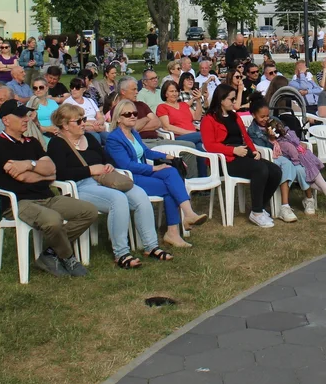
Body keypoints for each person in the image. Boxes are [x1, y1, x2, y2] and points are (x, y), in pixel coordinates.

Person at [48, 103, 170, 267]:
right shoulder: (56, 144)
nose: (84, 123)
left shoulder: (89, 138)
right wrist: (89, 170)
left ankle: (151, 246)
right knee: (117, 199)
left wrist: (108, 166)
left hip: (105, 179)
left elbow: (106, 158)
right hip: (79, 186)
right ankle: (121, 253)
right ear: (64, 125)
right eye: (78, 121)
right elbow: (60, 173)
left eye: (84, 119)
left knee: (139, 194)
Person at [0, 102, 95, 276]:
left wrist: (29, 164)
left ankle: (50, 252)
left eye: (26, 115)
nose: (26, 119)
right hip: (19, 202)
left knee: (88, 211)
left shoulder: (32, 142)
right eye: (21, 116)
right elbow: (21, 177)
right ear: (6, 120)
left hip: (46, 197)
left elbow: (52, 170)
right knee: (53, 220)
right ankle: (68, 257)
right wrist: (41, 171)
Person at [107, 98, 207, 245]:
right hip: (129, 177)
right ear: (118, 118)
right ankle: (174, 231)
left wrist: (170, 157)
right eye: (128, 114)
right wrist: (154, 168)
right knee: (170, 187)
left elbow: (147, 152)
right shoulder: (114, 139)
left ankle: (188, 214)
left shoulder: (134, 133)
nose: (133, 116)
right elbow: (127, 165)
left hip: (142, 171)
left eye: (134, 113)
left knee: (171, 171)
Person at [201, 84, 283, 227]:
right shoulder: (209, 119)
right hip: (224, 160)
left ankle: (260, 207)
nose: (234, 102)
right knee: (260, 169)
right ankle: (257, 212)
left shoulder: (234, 116)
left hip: (242, 154)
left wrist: (254, 151)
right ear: (221, 100)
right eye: (231, 99)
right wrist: (233, 151)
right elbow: (210, 145)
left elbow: (245, 136)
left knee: (275, 171)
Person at [247, 98, 317, 221]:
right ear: (253, 115)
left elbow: (289, 135)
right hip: (271, 157)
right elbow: (263, 149)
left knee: (300, 168)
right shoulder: (253, 131)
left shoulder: (275, 121)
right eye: (261, 116)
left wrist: (298, 144)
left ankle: (309, 199)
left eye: (267, 116)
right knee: (287, 165)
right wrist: (271, 138)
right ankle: (285, 206)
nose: (265, 119)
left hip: (287, 153)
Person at [156, 80, 204, 152]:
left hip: (194, 136)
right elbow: (167, 127)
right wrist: (189, 132)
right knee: (204, 135)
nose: (175, 94)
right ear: (165, 94)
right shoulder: (162, 107)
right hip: (178, 137)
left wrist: (198, 100)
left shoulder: (184, 105)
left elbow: (197, 117)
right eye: (171, 91)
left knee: (200, 148)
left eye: (176, 91)